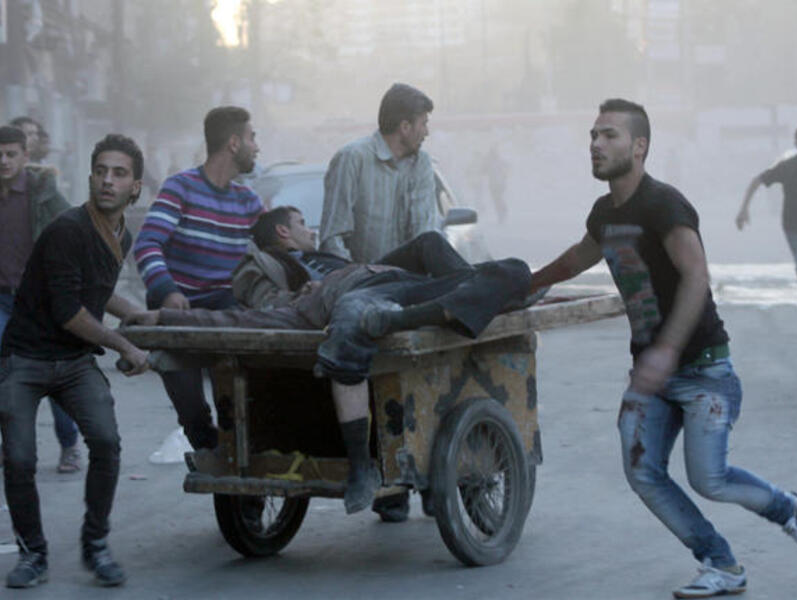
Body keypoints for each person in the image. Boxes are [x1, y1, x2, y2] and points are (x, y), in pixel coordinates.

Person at [528, 98, 797, 599]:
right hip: (651, 377)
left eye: (608, 135)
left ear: (639, 146)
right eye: (592, 135)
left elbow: (697, 276)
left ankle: (790, 510)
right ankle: (721, 563)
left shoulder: (664, 204)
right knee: (642, 471)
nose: (595, 144)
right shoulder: (604, 213)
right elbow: (575, 259)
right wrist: (527, 285)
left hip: (703, 371)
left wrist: (666, 351)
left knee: (709, 479)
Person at [128, 206, 534, 516]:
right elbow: (237, 316)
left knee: (514, 268)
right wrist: (164, 316)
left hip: (401, 286)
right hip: (354, 299)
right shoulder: (293, 288)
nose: (312, 230)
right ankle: (361, 466)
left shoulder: (329, 258)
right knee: (354, 318)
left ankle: (425, 312)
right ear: (283, 232)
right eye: (302, 223)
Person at [0, 133, 150, 588]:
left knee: (105, 442)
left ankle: (96, 544)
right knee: (20, 459)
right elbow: (69, 312)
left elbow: (97, 293)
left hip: (73, 362)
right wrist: (125, 345)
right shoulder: (68, 229)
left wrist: (143, 315)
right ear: (90, 177)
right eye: (101, 171)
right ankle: (33, 554)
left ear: (135, 188)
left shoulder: (120, 231)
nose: (108, 180)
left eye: (119, 173)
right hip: (25, 358)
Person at [133, 106, 263, 451]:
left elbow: (276, 255)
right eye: (252, 138)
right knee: (193, 414)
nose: (257, 146)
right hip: (178, 312)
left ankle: (242, 489)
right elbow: (147, 244)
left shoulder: (249, 202)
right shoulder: (181, 188)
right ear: (234, 143)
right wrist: (167, 290)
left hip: (225, 313)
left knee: (241, 406)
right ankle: (208, 451)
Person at [0, 124, 82, 474]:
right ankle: (13, 447)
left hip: (40, 304)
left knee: (51, 374)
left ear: (25, 156)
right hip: (2, 301)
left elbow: (74, 232)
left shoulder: (43, 194)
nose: (3, 161)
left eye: (10, 154)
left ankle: (69, 445)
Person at [319, 83, 438, 263]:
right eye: (423, 124)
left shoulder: (422, 164)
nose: (426, 132)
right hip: (365, 281)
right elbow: (332, 237)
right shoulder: (353, 158)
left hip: (410, 280)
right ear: (405, 127)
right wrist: (355, 277)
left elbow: (424, 233)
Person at [735, 125, 797, 285]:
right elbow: (757, 181)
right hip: (793, 226)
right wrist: (744, 209)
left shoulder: (788, 165)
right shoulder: (788, 166)